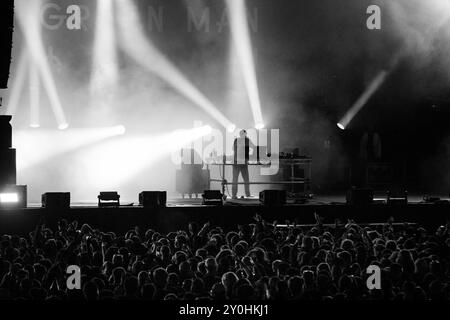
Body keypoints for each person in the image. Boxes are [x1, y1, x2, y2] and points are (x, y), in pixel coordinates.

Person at [232, 130, 255, 199]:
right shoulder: (247, 140)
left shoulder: (236, 139)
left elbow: (233, 148)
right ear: (245, 134)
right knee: (246, 179)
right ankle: (247, 194)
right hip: (243, 162)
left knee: (235, 179)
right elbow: (254, 147)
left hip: (236, 162)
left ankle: (234, 195)